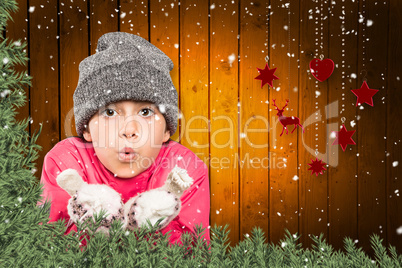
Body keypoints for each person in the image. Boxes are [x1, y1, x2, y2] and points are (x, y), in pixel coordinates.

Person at [37, 32, 210, 246]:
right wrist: (97, 224)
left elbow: (195, 252)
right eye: (110, 113)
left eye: (146, 112)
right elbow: (46, 245)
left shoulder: (185, 170)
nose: (129, 130)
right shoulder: (65, 163)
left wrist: (151, 224)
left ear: (167, 131)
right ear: (87, 130)